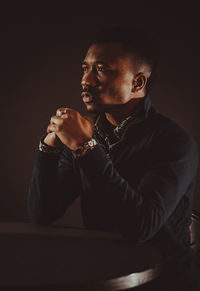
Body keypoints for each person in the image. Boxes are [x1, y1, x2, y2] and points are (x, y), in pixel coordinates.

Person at [28, 27, 199, 290]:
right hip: (104, 278)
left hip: (163, 282)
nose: (85, 80)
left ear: (137, 83)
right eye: (85, 68)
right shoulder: (88, 133)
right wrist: (49, 147)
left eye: (101, 69)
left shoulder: (174, 141)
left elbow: (141, 226)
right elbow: (43, 213)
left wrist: (86, 147)